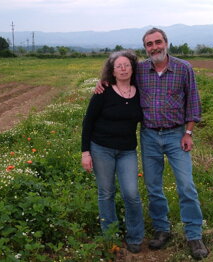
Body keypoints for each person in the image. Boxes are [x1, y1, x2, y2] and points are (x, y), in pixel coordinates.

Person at [95, 28, 209, 260]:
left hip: (176, 135)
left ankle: (194, 234)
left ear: (166, 43)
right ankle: (161, 228)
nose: (154, 47)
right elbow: (120, 76)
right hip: (149, 135)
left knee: (186, 185)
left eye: (158, 42)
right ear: (145, 48)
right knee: (153, 187)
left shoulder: (183, 68)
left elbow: (193, 103)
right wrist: (103, 82)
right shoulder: (140, 71)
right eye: (149, 44)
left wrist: (188, 132)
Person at [81, 50, 144, 254]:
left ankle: (135, 236)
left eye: (127, 65)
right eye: (119, 66)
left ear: (133, 68)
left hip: (127, 151)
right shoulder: (103, 91)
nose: (123, 69)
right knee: (106, 192)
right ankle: (110, 235)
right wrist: (85, 152)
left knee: (131, 193)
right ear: (113, 71)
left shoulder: (140, 92)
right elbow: (88, 122)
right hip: (101, 149)